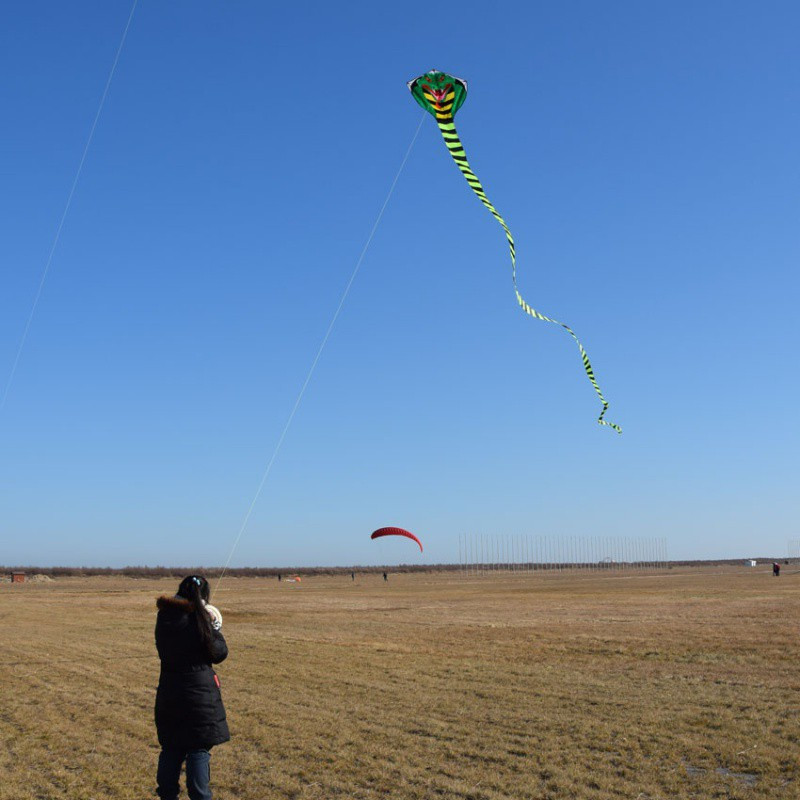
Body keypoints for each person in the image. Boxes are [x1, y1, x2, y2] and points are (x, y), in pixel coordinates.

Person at [155, 575, 229, 800]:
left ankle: (167, 795)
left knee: (172, 747)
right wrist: (214, 627)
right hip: (200, 697)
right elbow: (218, 653)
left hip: (169, 694)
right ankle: (200, 796)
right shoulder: (200, 619)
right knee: (198, 748)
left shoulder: (164, 617)